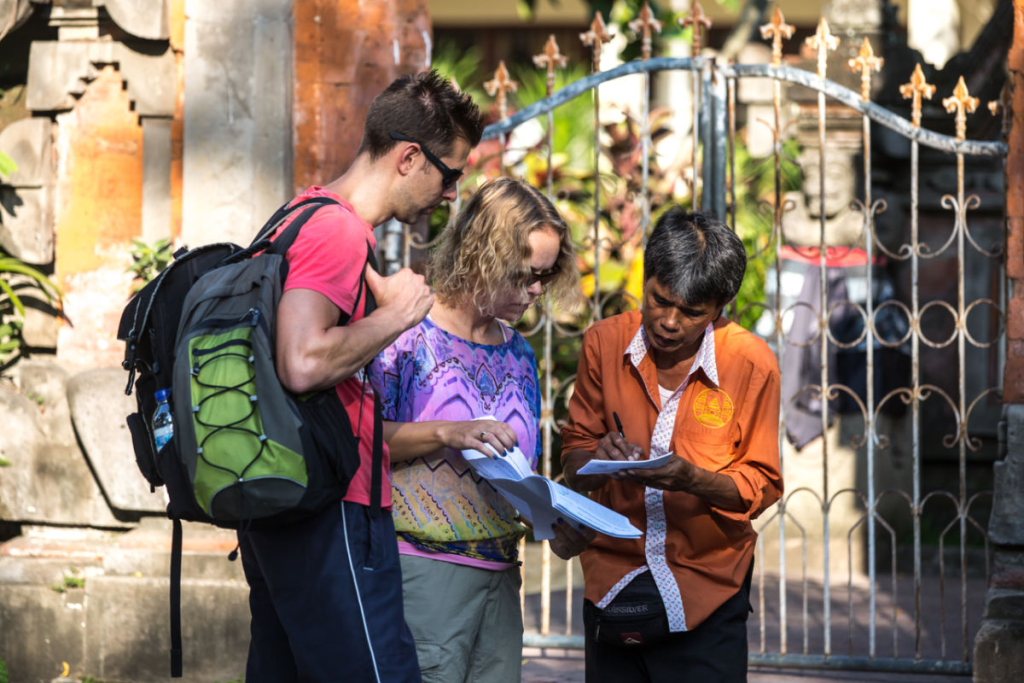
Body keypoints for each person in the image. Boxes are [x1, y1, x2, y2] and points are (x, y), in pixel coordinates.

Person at [237, 69, 484, 683]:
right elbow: (303, 361)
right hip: (331, 506)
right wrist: (397, 317)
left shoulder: (296, 213)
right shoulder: (339, 230)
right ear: (409, 158)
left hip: (287, 499)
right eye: (450, 174)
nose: (452, 194)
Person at [367, 177, 593, 683]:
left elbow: (515, 476)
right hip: (422, 573)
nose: (535, 290)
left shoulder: (519, 354)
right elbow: (360, 437)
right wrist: (448, 432)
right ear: (481, 254)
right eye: (523, 275)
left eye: (546, 275)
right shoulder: (408, 331)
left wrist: (553, 521)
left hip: (502, 578)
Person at [560, 208, 783, 682]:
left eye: (691, 313)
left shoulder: (751, 363)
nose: (668, 322)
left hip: (710, 590)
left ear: (720, 307)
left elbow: (761, 486)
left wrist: (692, 479)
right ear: (646, 278)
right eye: (659, 301)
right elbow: (573, 459)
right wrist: (599, 456)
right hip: (613, 586)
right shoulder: (604, 343)